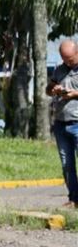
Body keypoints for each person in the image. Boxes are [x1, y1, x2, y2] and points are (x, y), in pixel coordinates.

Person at [47, 39, 78, 208]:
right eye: (64, 59)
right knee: (67, 164)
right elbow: (48, 88)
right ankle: (74, 199)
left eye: (70, 59)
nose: (67, 62)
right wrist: (54, 88)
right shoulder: (60, 70)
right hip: (60, 123)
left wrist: (74, 94)